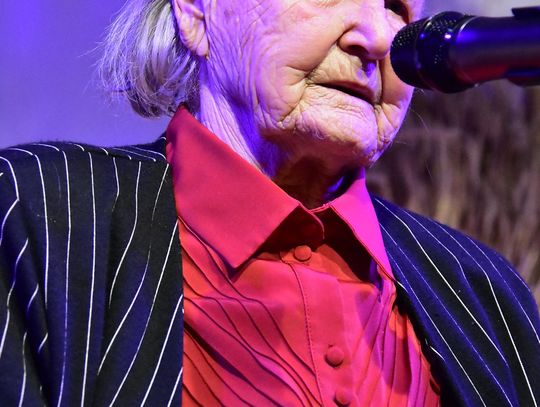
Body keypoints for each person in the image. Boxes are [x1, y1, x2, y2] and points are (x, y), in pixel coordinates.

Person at [0, 0, 538, 405]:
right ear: (196, 12)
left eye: (397, 7)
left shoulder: (486, 296)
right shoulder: (38, 216)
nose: (377, 37)